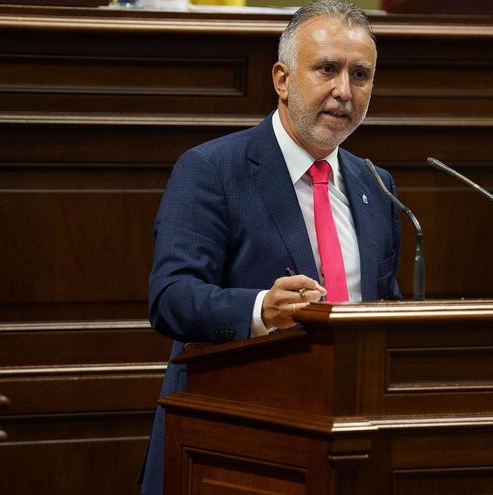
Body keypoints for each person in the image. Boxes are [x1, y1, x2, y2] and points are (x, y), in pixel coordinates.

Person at [140, 0, 402, 493]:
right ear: (282, 79)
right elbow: (171, 298)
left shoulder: (376, 185)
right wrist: (263, 309)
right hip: (234, 449)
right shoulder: (212, 169)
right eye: (327, 69)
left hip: (346, 447)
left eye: (360, 74)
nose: (344, 91)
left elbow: (384, 307)